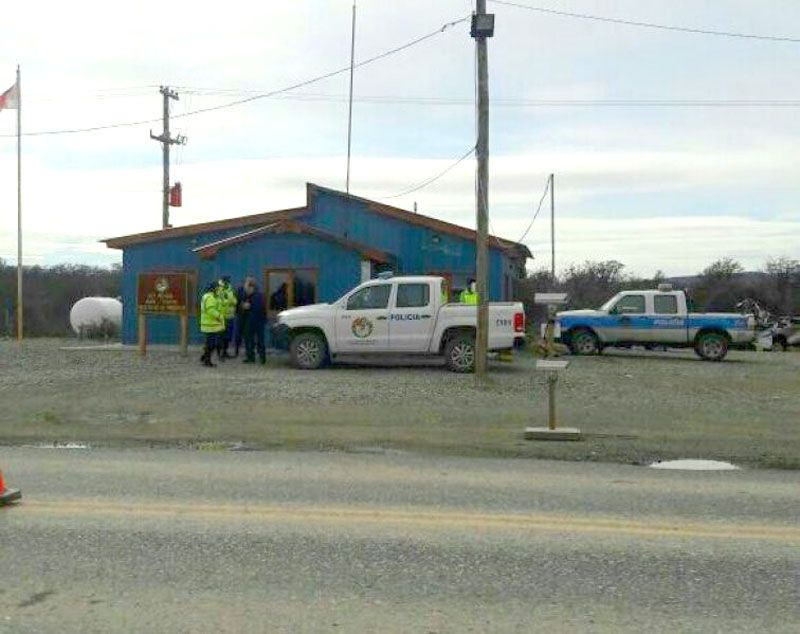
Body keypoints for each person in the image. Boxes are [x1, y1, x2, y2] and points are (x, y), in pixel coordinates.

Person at [240, 276, 267, 365]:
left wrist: (248, 306)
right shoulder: (250, 296)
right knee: (250, 340)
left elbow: (257, 308)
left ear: (252, 287)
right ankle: (252, 357)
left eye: (247, 287)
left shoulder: (257, 296)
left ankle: (260, 358)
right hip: (253, 322)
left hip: (255, 321)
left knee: (258, 340)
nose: (246, 289)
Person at [200, 282, 225, 367]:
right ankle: (207, 361)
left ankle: (205, 357)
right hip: (211, 325)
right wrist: (220, 316)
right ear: (214, 289)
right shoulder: (210, 297)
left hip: (210, 324)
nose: (219, 290)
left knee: (210, 343)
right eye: (217, 288)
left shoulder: (209, 296)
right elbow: (211, 310)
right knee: (211, 344)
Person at [217, 276, 238, 359]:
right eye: (227, 281)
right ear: (223, 281)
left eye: (229, 281)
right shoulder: (218, 290)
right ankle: (219, 353)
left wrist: (229, 301)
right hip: (221, 317)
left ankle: (225, 352)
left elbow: (235, 301)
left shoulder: (230, 289)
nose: (228, 282)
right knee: (220, 336)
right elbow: (219, 301)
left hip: (230, 316)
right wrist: (229, 301)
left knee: (228, 336)